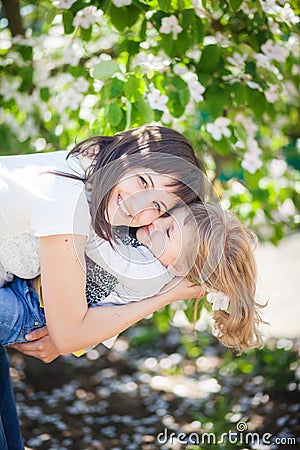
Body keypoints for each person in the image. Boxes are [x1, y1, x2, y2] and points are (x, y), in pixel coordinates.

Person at [0, 125, 206, 449]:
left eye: (158, 206)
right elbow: (68, 335)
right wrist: (169, 295)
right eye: (142, 181)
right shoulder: (67, 196)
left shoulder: (91, 188)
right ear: (123, 156)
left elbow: (93, 306)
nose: (140, 208)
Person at [1, 203, 263, 356]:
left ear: (181, 265)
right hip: (33, 293)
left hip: (32, 309)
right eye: (168, 216)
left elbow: (94, 244)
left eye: (169, 232)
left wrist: (79, 202)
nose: (157, 223)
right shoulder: (153, 254)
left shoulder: (145, 267)